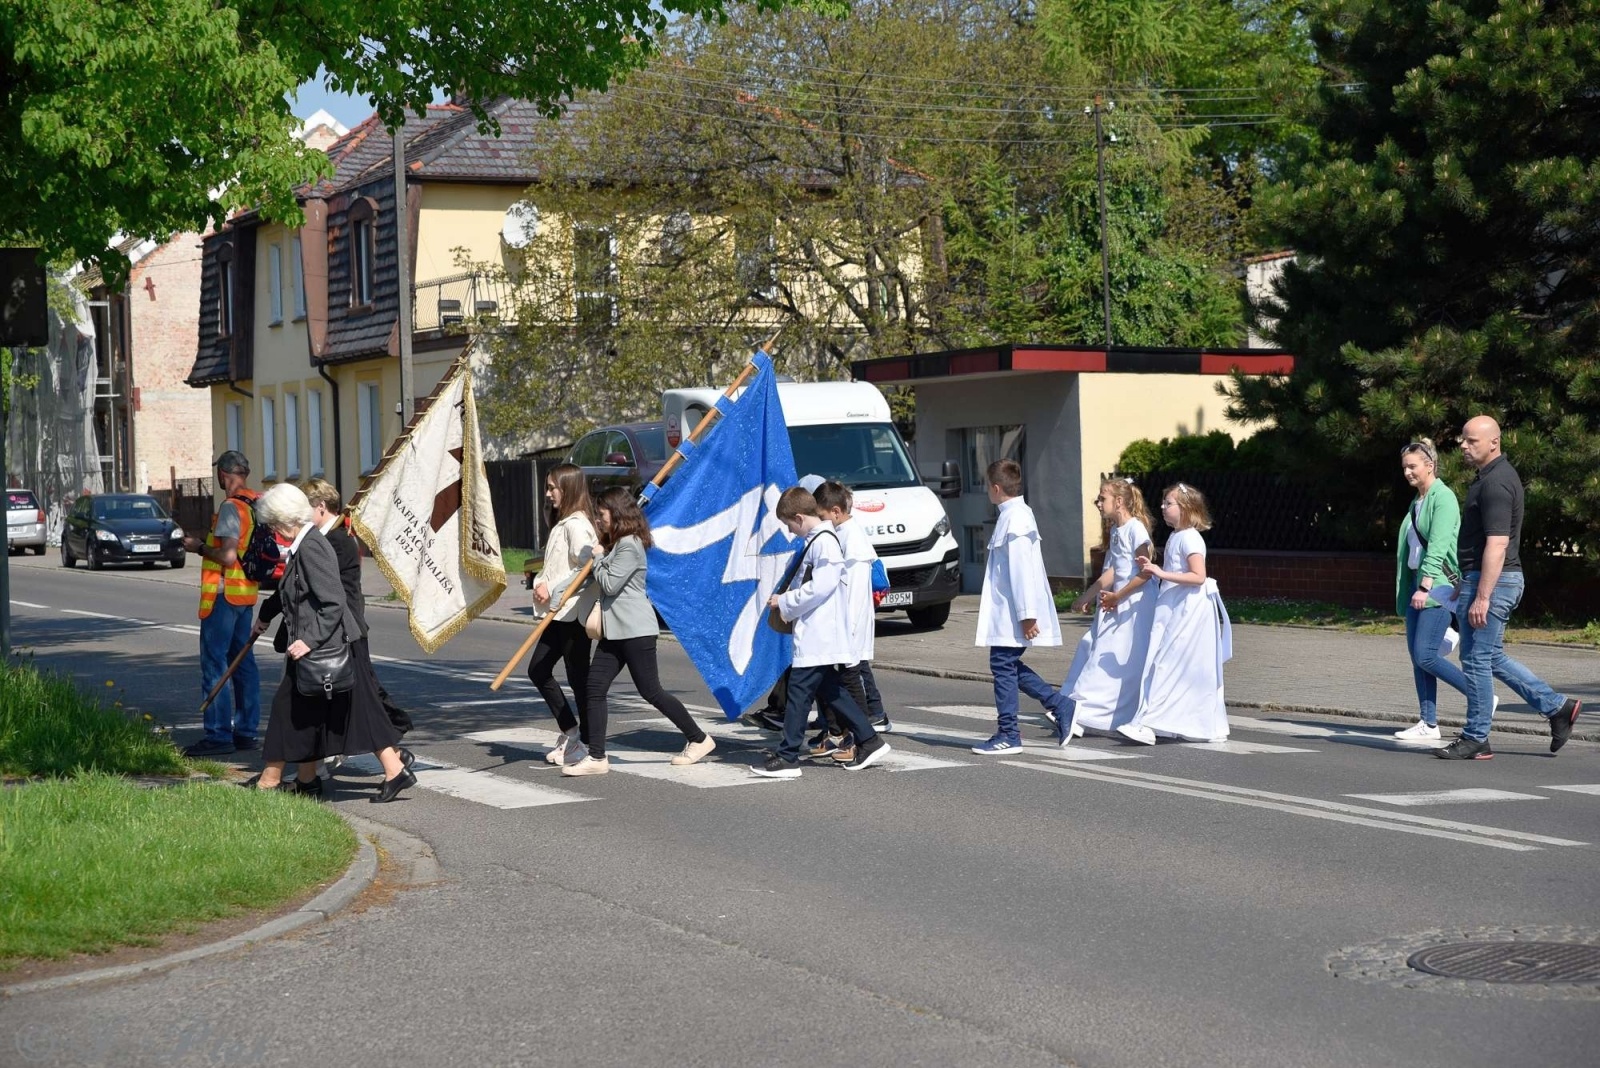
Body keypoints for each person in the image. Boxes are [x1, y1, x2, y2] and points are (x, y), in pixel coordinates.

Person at [248, 484, 413, 802]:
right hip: (323, 644)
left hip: (326, 645)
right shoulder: (305, 543)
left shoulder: (312, 546)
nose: (271, 531)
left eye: (271, 524)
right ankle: (314, 780)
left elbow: (333, 601)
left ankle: (269, 782)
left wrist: (308, 640)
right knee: (318, 715)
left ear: (284, 520)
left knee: (290, 711)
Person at [1438, 416, 1581, 760]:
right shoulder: (1488, 478)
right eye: (1463, 439)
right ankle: (1557, 707)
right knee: (1490, 657)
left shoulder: (1497, 483)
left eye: (1471, 441)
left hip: (1496, 582)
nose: (1463, 445)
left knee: (1475, 660)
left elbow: (1498, 544)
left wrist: (1482, 595)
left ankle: (1476, 737)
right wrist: (1466, 584)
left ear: (1493, 442)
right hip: (1485, 579)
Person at [564, 487, 715, 776]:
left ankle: (699, 739)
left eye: (602, 513)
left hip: (635, 630)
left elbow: (609, 585)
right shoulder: (618, 544)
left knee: (651, 691)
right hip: (614, 630)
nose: (599, 519)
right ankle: (597, 757)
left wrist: (597, 557)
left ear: (617, 513)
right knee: (594, 689)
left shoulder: (630, 544)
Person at [753, 486, 890, 777]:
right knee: (832, 690)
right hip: (819, 633)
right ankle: (869, 739)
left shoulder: (823, 542)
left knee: (799, 692)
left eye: (789, 524)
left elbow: (823, 585)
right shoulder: (822, 539)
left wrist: (785, 601)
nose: (790, 531)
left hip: (820, 634)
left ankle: (789, 756)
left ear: (800, 517)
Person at [1118, 483, 1231, 745]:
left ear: (1186, 509)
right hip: (1177, 607)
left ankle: (1149, 723)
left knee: (1168, 663)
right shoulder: (1178, 536)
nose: (1163, 507)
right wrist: (1156, 568)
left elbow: (1198, 576)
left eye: (1168, 503)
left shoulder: (1190, 537)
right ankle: (1176, 722)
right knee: (1172, 664)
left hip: (1188, 611)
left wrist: (1160, 573)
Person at [972, 459, 1068, 755]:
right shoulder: (1012, 516)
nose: (988, 491)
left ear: (996, 488)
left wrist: (1027, 615)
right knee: (1006, 664)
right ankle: (1060, 705)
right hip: (1010, 612)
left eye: (988, 486)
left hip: (1015, 613)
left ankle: (1009, 734)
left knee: (1003, 664)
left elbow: (1021, 570)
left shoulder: (1016, 520)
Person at [1061, 477, 1157, 742]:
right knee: (1099, 650)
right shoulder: (1117, 530)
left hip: (1136, 605)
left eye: (1102, 498)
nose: (1098, 504)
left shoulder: (1137, 529)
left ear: (1119, 501)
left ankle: (1079, 710)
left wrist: (1118, 596)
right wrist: (1088, 595)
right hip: (1119, 601)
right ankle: (1082, 711)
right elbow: (1115, 571)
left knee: (1116, 657)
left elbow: (1145, 572)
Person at [181, 451, 262, 757]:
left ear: (224, 475)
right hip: (245, 595)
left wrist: (198, 546)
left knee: (215, 664)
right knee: (243, 664)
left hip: (224, 596)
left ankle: (218, 736)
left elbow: (228, 555)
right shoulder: (256, 504)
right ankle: (246, 732)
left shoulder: (231, 507)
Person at [1392, 440, 1472, 741]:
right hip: (1418, 585)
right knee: (1418, 657)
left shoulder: (1444, 498)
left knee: (1426, 655)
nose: (1408, 472)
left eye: (1413, 466)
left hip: (1437, 587)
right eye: (1404, 468)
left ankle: (1479, 696)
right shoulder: (1418, 501)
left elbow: (1438, 545)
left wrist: (1425, 586)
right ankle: (1428, 722)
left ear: (1430, 465)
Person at [812, 480, 890, 763]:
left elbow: (855, 596)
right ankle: (842, 733)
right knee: (833, 681)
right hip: (842, 628)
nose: (820, 523)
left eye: (821, 517)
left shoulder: (852, 542)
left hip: (849, 629)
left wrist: (846, 634)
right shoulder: (843, 534)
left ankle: (862, 738)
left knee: (850, 683)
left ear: (834, 512)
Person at [527, 463, 600, 767]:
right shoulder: (563, 522)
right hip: (558, 614)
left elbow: (586, 569)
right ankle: (572, 731)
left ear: (567, 488)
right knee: (538, 670)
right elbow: (556, 567)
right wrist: (539, 582)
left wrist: (553, 589)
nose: (548, 493)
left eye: (551, 487)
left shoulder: (578, 525)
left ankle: (587, 742)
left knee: (578, 678)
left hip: (573, 613)